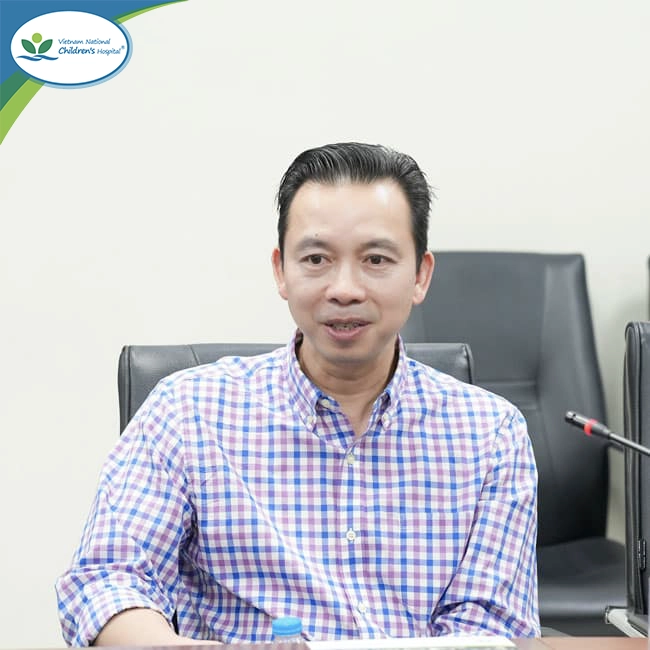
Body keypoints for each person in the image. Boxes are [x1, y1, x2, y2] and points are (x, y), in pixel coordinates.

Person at [56, 142, 540, 646]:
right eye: (316, 259)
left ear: (420, 275)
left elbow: (491, 626)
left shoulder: (490, 434)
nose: (345, 289)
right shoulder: (188, 411)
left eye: (376, 259)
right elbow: (107, 580)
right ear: (280, 271)